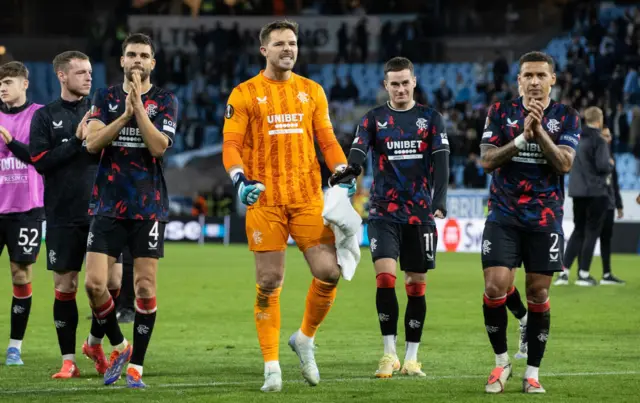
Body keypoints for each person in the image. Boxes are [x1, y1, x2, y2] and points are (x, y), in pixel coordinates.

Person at [222, 19, 354, 393]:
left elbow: (326, 141)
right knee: (268, 281)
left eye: (293, 43)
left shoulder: (312, 91)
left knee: (329, 272)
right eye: (280, 43)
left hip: (308, 197)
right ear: (264, 50)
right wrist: (239, 180)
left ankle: (305, 339)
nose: (288, 49)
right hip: (265, 200)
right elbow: (231, 144)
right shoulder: (244, 93)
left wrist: (341, 169)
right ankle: (271, 366)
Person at [339, 56, 449, 378]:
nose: (400, 88)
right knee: (385, 278)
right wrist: (352, 169)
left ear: (414, 82)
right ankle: (389, 355)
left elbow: (441, 161)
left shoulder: (431, 119)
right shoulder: (373, 119)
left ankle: (412, 358)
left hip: (420, 213)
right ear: (385, 86)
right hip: (383, 211)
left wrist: (439, 200)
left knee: (415, 285)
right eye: (394, 83)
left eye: (405, 82)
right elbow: (358, 151)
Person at [479, 51, 581, 394]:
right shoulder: (499, 112)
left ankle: (532, 373)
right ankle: (501, 363)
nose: (534, 81)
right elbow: (487, 160)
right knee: (495, 286)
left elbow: (564, 164)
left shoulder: (567, 117)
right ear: (519, 80)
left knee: (538, 293)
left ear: (553, 79)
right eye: (528, 75)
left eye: (541, 75)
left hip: (545, 217)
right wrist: (522, 138)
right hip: (504, 214)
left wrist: (539, 132)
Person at [84, 33, 178, 388]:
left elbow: (158, 148)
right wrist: (124, 115)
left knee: (143, 286)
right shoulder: (105, 97)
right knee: (95, 285)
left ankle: (135, 366)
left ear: (153, 62)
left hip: (147, 204)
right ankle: (120, 346)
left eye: (144, 55)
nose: (137, 60)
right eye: (131, 55)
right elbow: (93, 142)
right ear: (122, 61)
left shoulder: (166, 100)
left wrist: (138, 107)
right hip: (107, 203)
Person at [28, 51, 125, 378]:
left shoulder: (101, 113)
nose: (88, 77)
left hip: (104, 211)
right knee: (65, 285)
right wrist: (76, 141)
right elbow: (40, 161)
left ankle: (95, 342)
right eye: (80, 72)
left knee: (111, 281)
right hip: (62, 214)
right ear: (61, 76)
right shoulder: (45, 116)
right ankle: (69, 360)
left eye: (89, 71)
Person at [0, 61, 44, 366]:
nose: (3, 87)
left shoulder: (39, 116)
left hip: (27, 210)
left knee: (21, 274)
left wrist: (11, 142)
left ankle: (14, 346)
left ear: (24, 84)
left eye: (8, 82)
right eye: (0, 83)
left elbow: (39, 157)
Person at [555, 107, 618, 286]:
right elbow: (602, 165)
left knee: (578, 230)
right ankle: (583, 274)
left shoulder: (575, 138)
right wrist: (610, 164)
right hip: (596, 192)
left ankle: (564, 273)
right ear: (599, 120)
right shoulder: (598, 139)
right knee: (592, 232)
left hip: (577, 191)